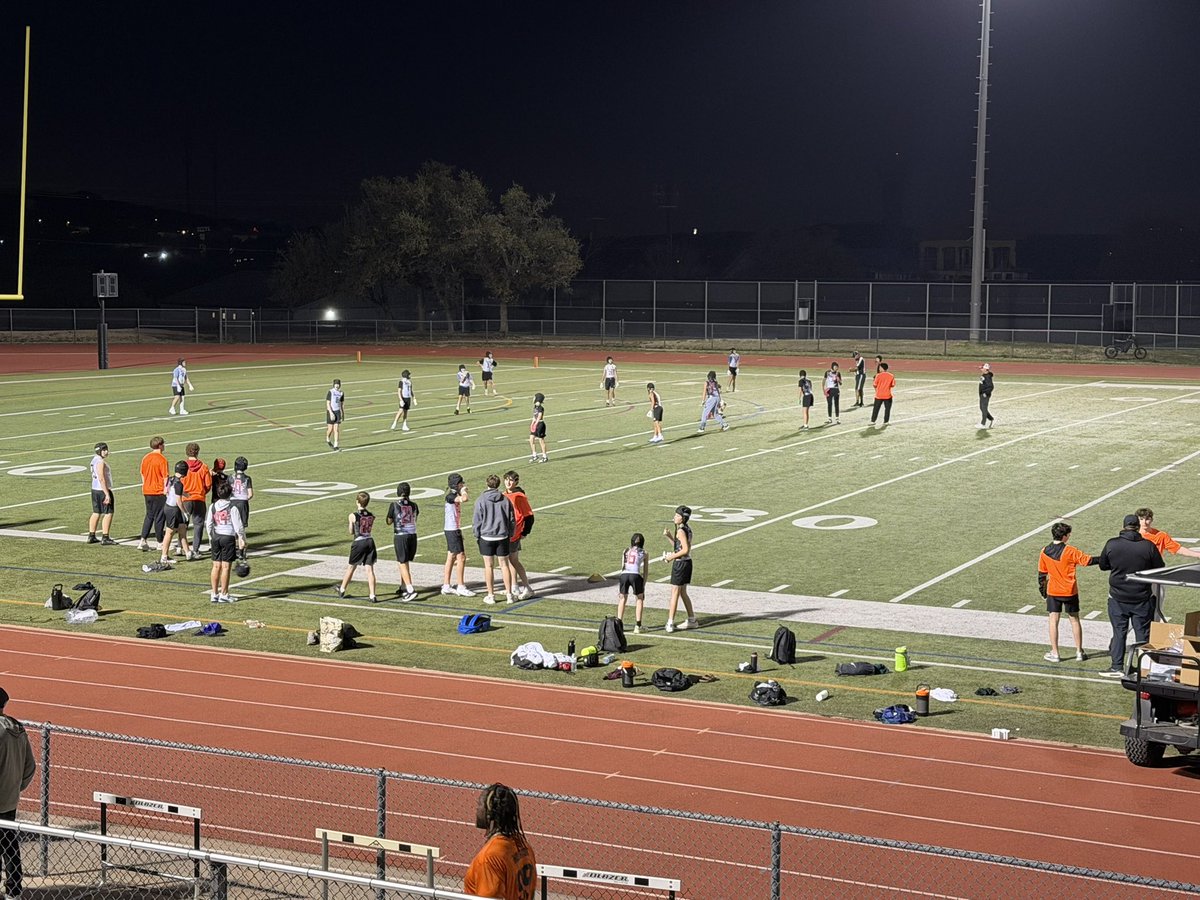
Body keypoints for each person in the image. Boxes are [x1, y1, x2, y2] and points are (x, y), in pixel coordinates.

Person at [1097, 514, 1164, 676]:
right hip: (1142, 597)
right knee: (1143, 634)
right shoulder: (1148, 546)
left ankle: (1117, 666)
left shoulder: (1112, 544)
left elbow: (1103, 565)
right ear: (1137, 526)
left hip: (1118, 597)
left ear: (1124, 526)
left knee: (1119, 632)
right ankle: (1145, 669)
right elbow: (1159, 567)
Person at [463, 783, 536, 900]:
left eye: (480, 804)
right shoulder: (525, 847)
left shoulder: (489, 858)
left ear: (490, 813)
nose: (477, 808)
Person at [1038, 522, 1099, 662]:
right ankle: (1079, 651)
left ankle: (1055, 653)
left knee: (1053, 621)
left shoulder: (1044, 551)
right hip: (1070, 591)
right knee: (1074, 620)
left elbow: (1042, 574)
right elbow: (1088, 561)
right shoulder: (1070, 550)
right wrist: (1107, 558)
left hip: (1053, 591)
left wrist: (1043, 592)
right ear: (1064, 536)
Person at [0, 686, 36, 900]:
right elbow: (30, 766)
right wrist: (15, 787)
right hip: (9, 799)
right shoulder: (18, 728)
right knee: (9, 843)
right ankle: (14, 890)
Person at [1136, 507, 1200, 620]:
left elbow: (1177, 548)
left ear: (1151, 519)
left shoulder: (1160, 535)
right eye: (1141, 519)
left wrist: (1197, 554)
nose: (1145, 522)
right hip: (1138, 576)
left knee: (1157, 606)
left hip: (1155, 575)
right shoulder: (1134, 536)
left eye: (1147, 519)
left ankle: (1153, 633)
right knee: (1136, 608)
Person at [474, 474, 516, 605]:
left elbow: (477, 520)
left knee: (488, 566)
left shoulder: (481, 500)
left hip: (486, 536)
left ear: (487, 484)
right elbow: (512, 519)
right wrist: (510, 533)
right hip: (502, 536)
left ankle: (491, 595)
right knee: (504, 565)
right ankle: (509, 594)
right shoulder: (505, 499)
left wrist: (477, 534)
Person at [205, 479, 247, 603]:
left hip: (216, 536)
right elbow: (238, 526)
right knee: (226, 567)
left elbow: (208, 524)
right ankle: (224, 593)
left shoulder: (213, 506)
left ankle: (214, 593)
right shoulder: (232, 507)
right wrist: (242, 539)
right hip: (228, 537)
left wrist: (211, 538)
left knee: (216, 566)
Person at [336, 491, 378, 602]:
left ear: (357, 502)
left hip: (359, 541)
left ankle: (342, 589)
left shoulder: (353, 515)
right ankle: (372, 595)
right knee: (370, 570)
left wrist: (351, 523)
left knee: (351, 567)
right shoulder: (371, 515)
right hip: (369, 540)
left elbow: (351, 532)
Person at [662, 506, 698, 633]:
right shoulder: (686, 529)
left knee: (675, 594)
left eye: (677, 515)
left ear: (682, 518)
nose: (674, 517)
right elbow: (679, 547)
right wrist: (669, 537)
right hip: (687, 562)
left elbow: (685, 550)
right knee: (683, 592)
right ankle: (692, 619)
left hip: (681, 564)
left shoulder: (681, 531)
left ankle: (670, 622)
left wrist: (671, 557)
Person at [148, 460, 189, 570]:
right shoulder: (179, 483)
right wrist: (185, 512)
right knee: (169, 533)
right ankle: (164, 556)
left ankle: (185, 552)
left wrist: (183, 493)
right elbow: (179, 501)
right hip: (173, 509)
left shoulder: (171, 479)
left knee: (178, 529)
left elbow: (166, 491)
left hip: (167, 506)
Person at [441, 474, 475, 597]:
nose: (463, 485)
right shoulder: (450, 496)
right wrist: (464, 491)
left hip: (453, 530)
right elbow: (464, 499)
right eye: (460, 484)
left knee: (451, 557)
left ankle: (446, 585)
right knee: (461, 557)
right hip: (452, 530)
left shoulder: (453, 495)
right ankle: (460, 586)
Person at [503, 471, 535, 600]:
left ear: (516, 482)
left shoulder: (519, 496)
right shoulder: (504, 495)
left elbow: (529, 516)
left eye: (511, 480)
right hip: (505, 532)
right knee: (510, 560)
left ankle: (527, 587)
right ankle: (514, 586)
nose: (508, 482)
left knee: (513, 560)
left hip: (514, 533)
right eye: (506, 480)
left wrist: (524, 532)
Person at [386, 482, 420, 601]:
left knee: (402, 562)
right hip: (412, 535)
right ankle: (403, 586)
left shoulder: (394, 505)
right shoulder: (414, 505)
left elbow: (389, 521)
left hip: (401, 535)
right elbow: (415, 517)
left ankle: (410, 589)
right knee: (405, 562)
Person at [137, 436, 169, 552]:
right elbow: (165, 477)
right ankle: (160, 542)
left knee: (149, 515)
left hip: (147, 490)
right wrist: (166, 490)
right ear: (160, 445)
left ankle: (143, 540)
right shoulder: (162, 459)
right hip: (158, 491)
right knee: (159, 517)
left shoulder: (146, 458)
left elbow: (142, 474)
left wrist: (145, 484)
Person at [181, 443, 212, 561]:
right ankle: (195, 549)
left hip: (185, 498)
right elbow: (208, 484)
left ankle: (181, 547)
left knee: (182, 525)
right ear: (197, 452)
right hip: (199, 498)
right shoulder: (203, 467)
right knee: (198, 525)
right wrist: (202, 492)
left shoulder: (183, 466)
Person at [616, 532, 649, 634]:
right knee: (639, 599)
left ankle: (619, 625)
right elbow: (645, 571)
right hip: (635, 575)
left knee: (622, 598)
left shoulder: (625, 551)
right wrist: (643, 584)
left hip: (624, 574)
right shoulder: (644, 553)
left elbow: (622, 566)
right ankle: (638, 626)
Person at [87, 441, 116, 545]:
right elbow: (101, 478)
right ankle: (105, 537)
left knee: (96, 512)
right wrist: (107, 494)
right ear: (100, 451)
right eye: (104, 450)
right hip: (102, 490)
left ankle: (91, 535)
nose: (107, 452)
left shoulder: (94, 460)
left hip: (94, 489)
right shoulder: (100, 462)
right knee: (108, 513)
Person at [230, 457, 253, 530]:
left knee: (232, 524)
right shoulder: (247, 478)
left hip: (232, 502)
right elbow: (250, 494)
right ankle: (241, 540)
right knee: (242, 527)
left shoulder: (230, 477)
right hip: (243, 503)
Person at [528, 393, 547, 463]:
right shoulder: (535, 407)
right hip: (535, 424)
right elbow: (534, 416)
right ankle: (534, 455)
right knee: (531, 439)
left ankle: (544, 456)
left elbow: (539, 416)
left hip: (540, 424)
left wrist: (536, 424)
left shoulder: (540, 408)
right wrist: (532, 423)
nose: (533, 399)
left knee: (541, 441)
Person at [325, 379, 344, 449]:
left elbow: (341, 404)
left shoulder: (341, 393)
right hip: (331, 412)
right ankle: (327, 437)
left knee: (336, 429)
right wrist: (331, 413)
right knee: (330, 429)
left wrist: (342, 413)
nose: (337, 385)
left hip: (337, 412)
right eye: (336, 384)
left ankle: (336, 445)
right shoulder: (331, 392)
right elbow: (328, 403)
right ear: (333, 384)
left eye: (338, 384)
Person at [978, 363, 995, 428]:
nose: (981, 369)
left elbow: (991, 386)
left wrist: (986, 393)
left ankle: (983, 424)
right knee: (982, 408)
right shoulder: (984, 375)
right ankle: (991, 419)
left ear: (986, 369)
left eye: (982, 368)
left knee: (984, 408)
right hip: (982, 394)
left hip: (985, 395)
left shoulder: (987, 377)